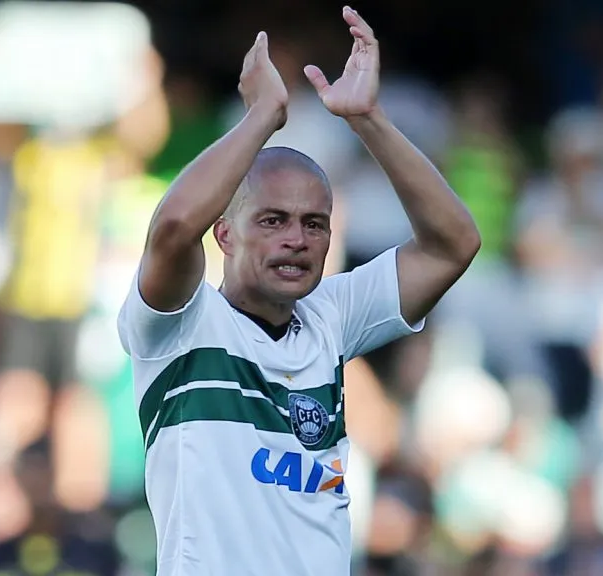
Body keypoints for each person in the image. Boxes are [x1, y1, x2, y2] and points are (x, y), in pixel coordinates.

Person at [117, 7, 481, 575]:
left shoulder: (329, 317)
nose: (296, 239)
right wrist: (262, 117)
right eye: (272, 220)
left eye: (314, 224)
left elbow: (452, 245)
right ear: (224, 232)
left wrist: (368, 120)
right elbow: (170, 229)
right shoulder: (181, 325)